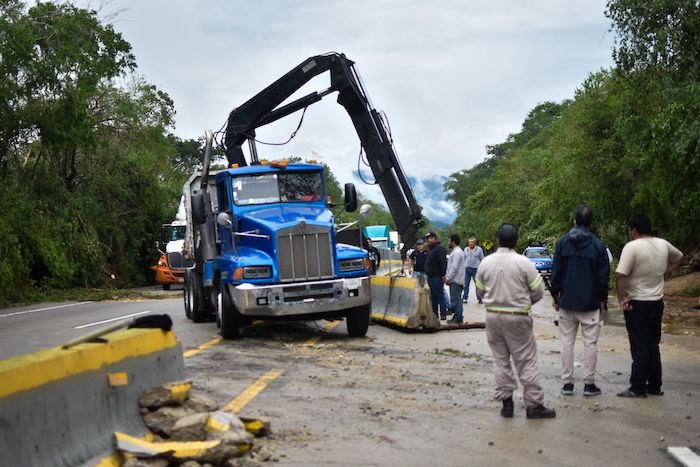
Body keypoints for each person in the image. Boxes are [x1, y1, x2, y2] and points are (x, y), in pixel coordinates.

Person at [476, 224, 556, 419]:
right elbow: (538, 291)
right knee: (526, 360)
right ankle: (534, 405)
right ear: (516, 241)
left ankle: (507, 404)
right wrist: (526, 302)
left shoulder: (486, 262)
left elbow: (479, 291)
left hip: (493, 317)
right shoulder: (524, 263)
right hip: (518, 317)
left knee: (500, 360)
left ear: (497, 241)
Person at [615, 213, 683, 398]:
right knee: (653, 344)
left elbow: (621, 275)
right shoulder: (663, 244)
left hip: (637, 302)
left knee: (639, 345)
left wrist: (622, 300)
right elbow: (679, 258)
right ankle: (654, 385)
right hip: (657, 302)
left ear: (634, 230)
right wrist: (663, 273)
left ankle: (637, 387)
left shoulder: (632, 247)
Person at [550, 205, 610, 397]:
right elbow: (603, 278)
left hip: (567, 302)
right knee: (590, 344)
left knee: (566, 342)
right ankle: (589, 384)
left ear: (574, 220)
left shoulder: (562, 243)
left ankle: (567, 384)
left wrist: (555, 296)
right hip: (590, 303)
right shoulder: (598, 246)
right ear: (590, 222)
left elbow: (556, 273)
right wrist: (602, 300)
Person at [424, 231, 450, 319]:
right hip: (430, 276)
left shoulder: (439, 249)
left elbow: (443, 262)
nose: (429, 240)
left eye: (431, 238)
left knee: (440, 295)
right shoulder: (430, 249)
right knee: (433, 297)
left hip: (436, 276)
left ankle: (443, 314)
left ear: (435, 239)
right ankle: (434, 314)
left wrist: (443, 275)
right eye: (428, 239)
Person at [445, 234, 466, 324]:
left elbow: (454, 267)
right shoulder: (457, 251)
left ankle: (458, 318)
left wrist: (448, 277)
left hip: (456, 280)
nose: (448, 243)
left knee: (456, 300)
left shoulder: (457, 252)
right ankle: (457, 317)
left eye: (449, 241)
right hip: (457, 279)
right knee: (456, 299)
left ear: (453, 242)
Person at [463, 237, 485, 304]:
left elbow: (482, 259)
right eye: (470, 242)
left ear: (475, 243)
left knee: (477, 284)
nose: (471, 243)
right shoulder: (466, 249)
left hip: (476, 269)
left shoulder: (479, 249)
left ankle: (480, 298)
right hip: (467, 268)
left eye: (472, 242)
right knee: (466, 284)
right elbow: (463, 258)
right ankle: (465, 298)